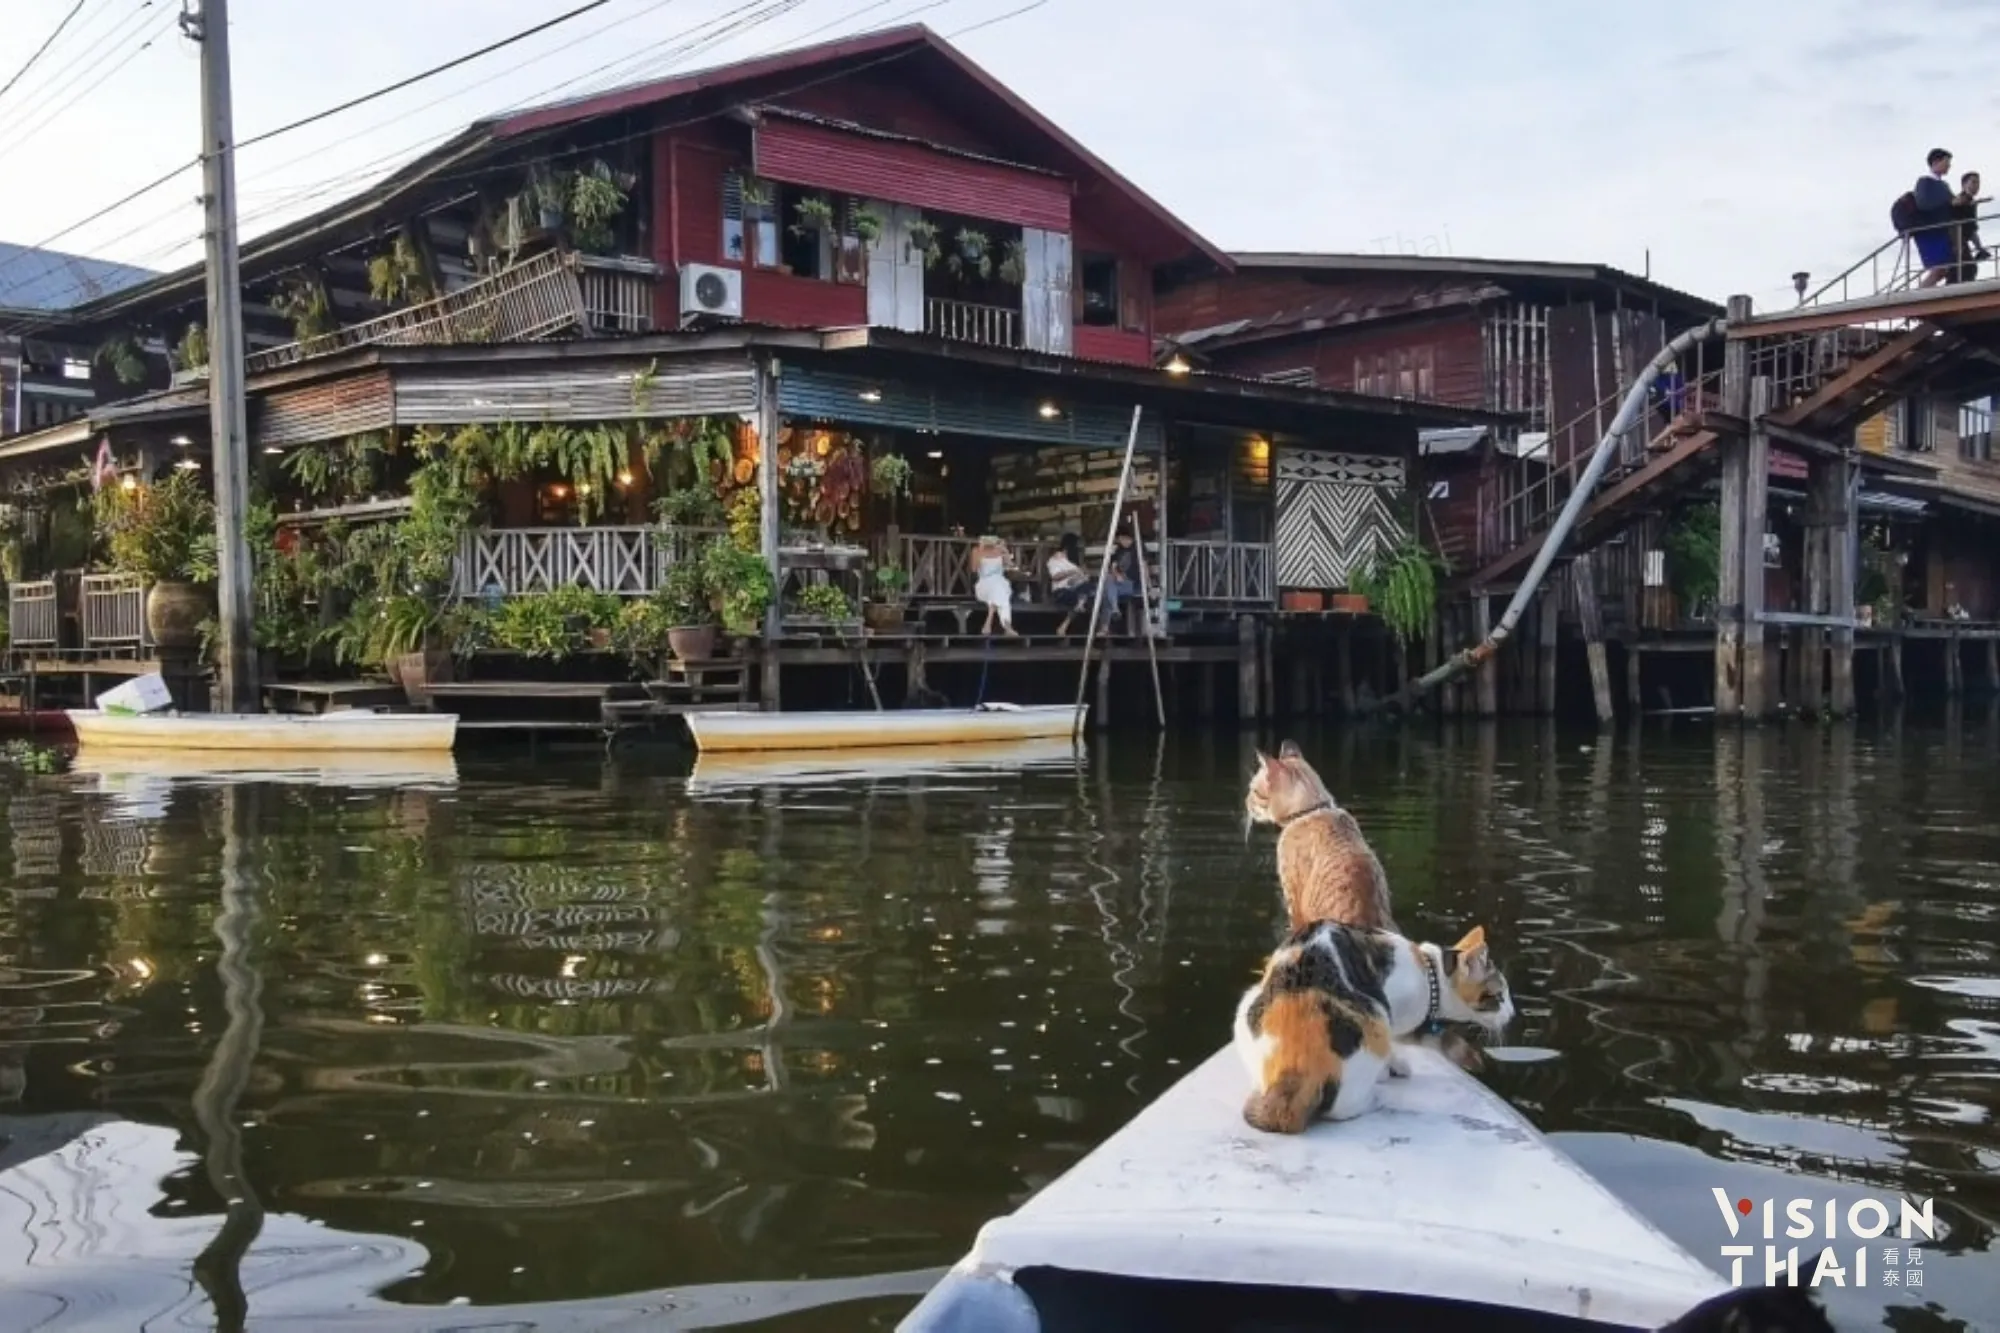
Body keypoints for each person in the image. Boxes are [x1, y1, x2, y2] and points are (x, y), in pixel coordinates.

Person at [1913, 148, 1957, 287]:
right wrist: (1948, 202)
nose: (1949, 165)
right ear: (1935, 162)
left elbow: (1952, 202)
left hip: (1941, 230)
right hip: (1929, 231)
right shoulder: (1924, 182)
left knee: (1942, 270)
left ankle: (1922, 292)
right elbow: (1923, 204)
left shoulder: (1944, 185)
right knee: (1938, 269)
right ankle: (1918, 295)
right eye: (1946, 162)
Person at [970, 534, 1019, 637]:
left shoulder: (1000, 551)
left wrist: (1005, 552)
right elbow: (974, 569)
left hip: (1000, 581)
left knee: (1001, 589)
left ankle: (991, 623)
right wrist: (981, 552)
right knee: (1001, 593)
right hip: (984, 583)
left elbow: (1011, 566)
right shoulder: (977, 551)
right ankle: (1006, 626)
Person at [1047, 533, 1095, 635]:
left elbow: (1085, 578)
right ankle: (1068, 624)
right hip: (1061, 591)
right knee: (1084, 597)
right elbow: (1055, 576)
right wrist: (1072, 572)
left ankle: (1066, 624)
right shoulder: (1056, 559)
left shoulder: (1074, 562)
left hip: (1077, 588)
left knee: (1090, 591)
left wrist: (1084, 575)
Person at [1950, 170, 1989, 284]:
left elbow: (1972, 228)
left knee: (1969, 269)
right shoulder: (1962, 198)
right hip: (1955, 241)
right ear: (1964, 184)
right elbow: (1955, 202)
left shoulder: (1971, 202)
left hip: (1963, 240)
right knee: (1966, 268)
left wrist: (1979, 247)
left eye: (1978, 183)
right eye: (1973, 182)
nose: (1977, 186)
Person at [1102, 528, 1141, 629]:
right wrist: (1117, 575)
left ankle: (1105, 627)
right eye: (1119, 540)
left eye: (1121, 540)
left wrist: (1149, 586)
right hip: (1118, 583)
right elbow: (1113, 565)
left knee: (1107, 591)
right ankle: (1115, 610)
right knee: (1108, 588)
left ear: (1127, 537)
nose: (1120, 542)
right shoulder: (1119, 549)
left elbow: (1143, 566)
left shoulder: (1137, 548)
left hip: (1132, 583)